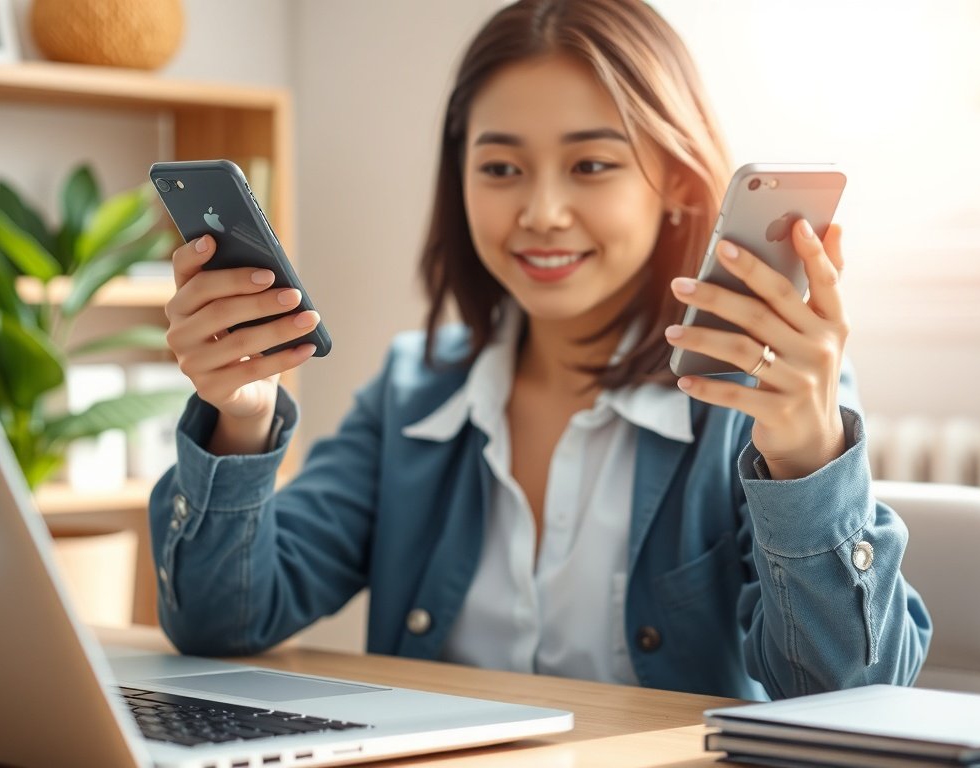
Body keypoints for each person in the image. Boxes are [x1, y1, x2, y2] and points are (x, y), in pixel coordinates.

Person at [150, 0, 931, 701]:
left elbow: (850, 694)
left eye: (591, 165)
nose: (542, 212)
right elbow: (222, 623)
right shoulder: (413, 389)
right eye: (500, 168)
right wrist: (240, 420)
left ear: (677, 184)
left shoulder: (761, 401)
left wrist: (805, 461)